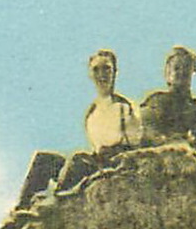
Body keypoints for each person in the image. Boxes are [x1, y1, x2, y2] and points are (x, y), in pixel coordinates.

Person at [55, 49, 140, 192]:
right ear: (90, 74)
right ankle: (23, 208)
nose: (102, 75)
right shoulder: (91, 112)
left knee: (78, 158)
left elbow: (135, 145)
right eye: (96, 70)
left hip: (114, 163)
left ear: (115, 72)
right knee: (44, 160)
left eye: (107, 69)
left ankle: (56, 197)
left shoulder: (125, 106)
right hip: (94, 161)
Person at [139, 45, 196, 148]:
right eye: (177, 68)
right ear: (167, 71)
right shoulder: (156, 101)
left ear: (193, 72)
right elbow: (147, 131)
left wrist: (192, 142)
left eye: (186, 68)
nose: (181, 72)